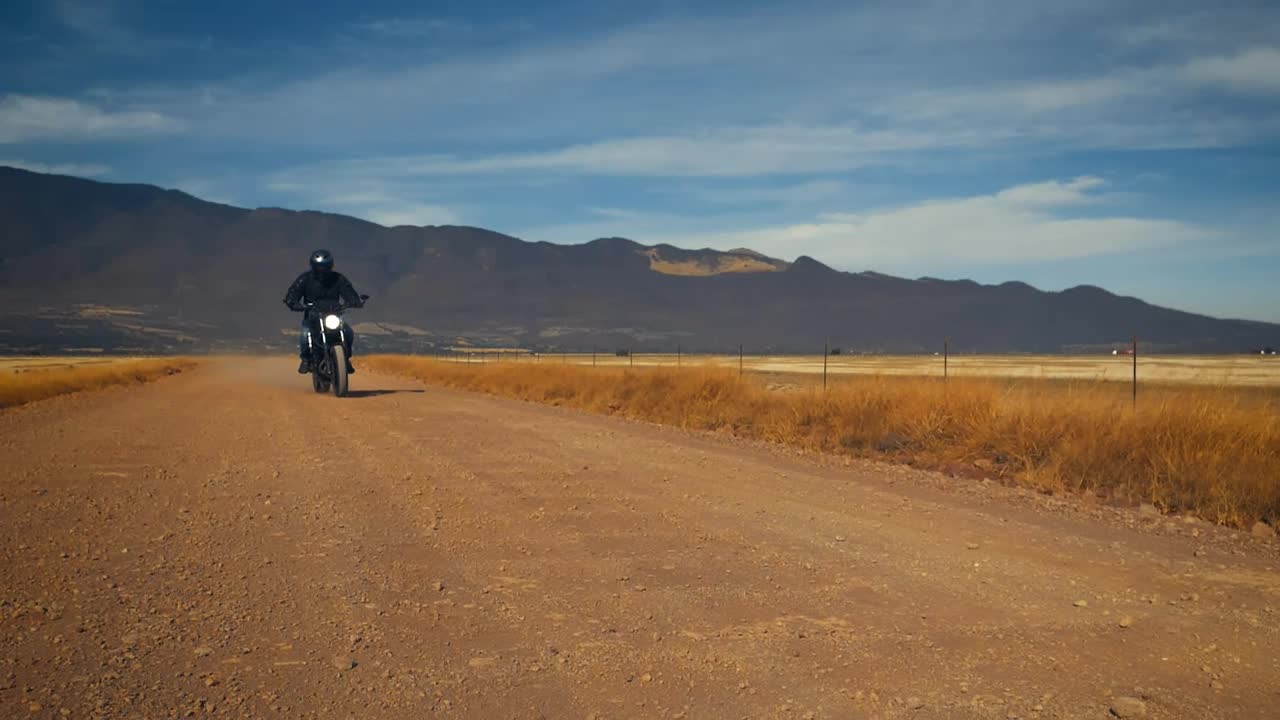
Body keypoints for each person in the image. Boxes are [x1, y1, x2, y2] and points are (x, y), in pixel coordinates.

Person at [283, 249, 365, 374]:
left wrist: (354, 301)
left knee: (348, 332)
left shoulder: (338, 279)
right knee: (305, 335)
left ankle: (345, 359)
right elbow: (293, 293)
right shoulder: (305, 279)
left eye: (325, 267)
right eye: (319, 267)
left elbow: (349, 292)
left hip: (334, 315)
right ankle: (306, 360)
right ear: (313, 266)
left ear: (330, 265)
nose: (322, 270)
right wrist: (293, 302)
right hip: (312, 316)